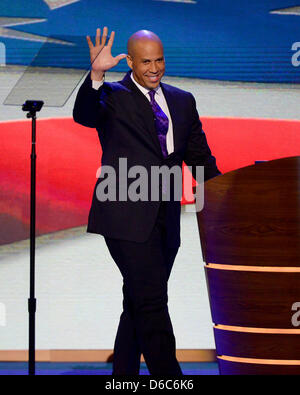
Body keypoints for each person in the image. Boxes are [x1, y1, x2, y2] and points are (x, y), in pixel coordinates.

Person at [73, 27, 220, 375]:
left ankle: (122, 376)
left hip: (166, 219)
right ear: (131, 61)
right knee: (152, 303)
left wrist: (223, 196)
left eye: (159, 60)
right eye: (146, 62)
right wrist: (96, 75)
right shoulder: (112, 95)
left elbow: (199, 158)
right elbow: (85, 115)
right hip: (124, 217)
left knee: (138, 301)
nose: (154, 69)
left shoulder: (182, 100)